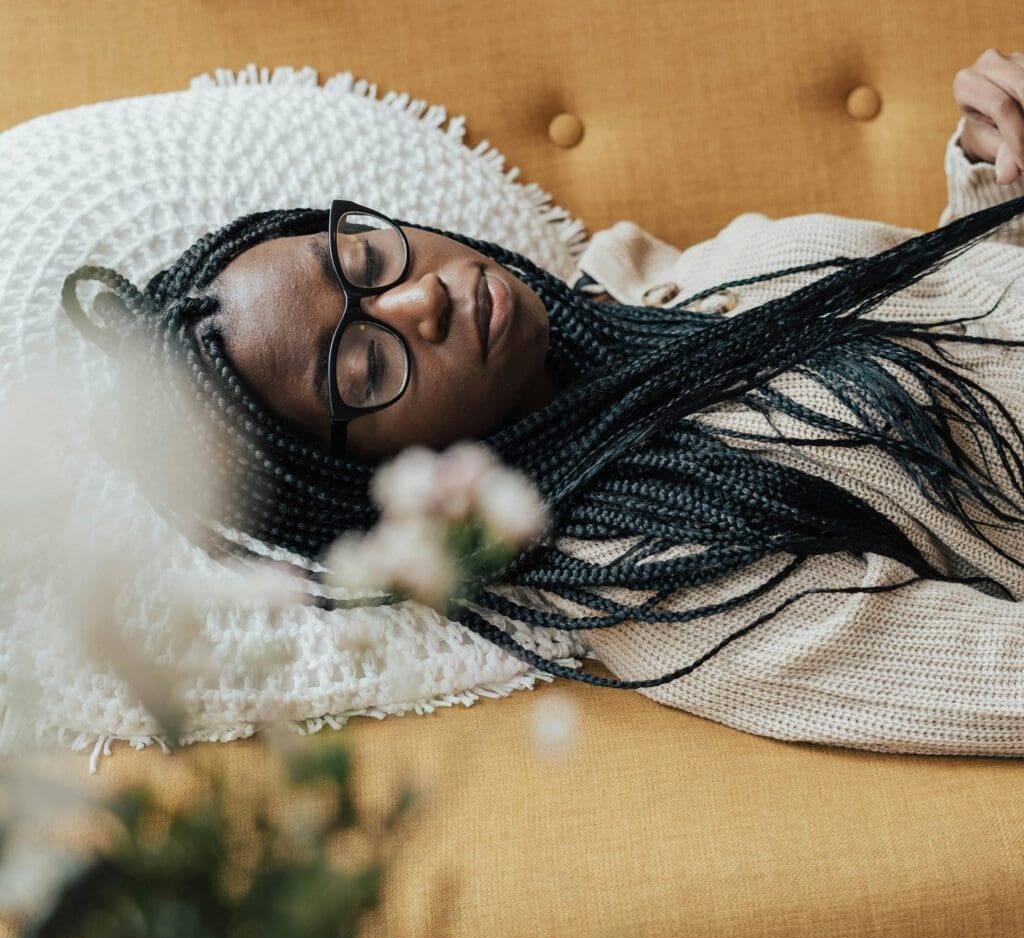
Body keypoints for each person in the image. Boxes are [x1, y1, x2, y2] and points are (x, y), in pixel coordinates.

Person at [60, 49, 1024, 757]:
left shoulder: (628, 290)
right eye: (364, 368)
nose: (419, 297)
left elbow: (939, 346)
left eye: (364, 258)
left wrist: (992, 173)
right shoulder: (659, 566)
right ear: (372, 483)